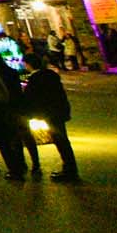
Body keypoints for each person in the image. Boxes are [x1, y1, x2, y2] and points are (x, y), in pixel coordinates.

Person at [22, 53, 79, 182]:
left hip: (50, 113)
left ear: (28, 64)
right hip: (59, 111)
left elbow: (32, 98)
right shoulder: (51, 74)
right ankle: (70, 168)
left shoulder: (35, 79)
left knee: (60, 140)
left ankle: (70, 170)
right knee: (63, 140)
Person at [0, 53, 40, 179]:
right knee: (26, 136)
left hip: (8, 108)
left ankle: (21, 163)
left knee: (15, 137)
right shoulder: (12, 71)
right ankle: (35, 163)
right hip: (19, 107)